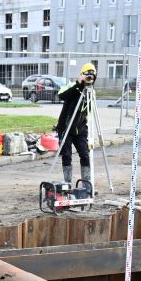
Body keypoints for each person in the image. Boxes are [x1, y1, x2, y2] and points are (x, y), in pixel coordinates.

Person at [54, 63, 98, 193]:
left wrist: (89, 134)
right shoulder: (74, 86)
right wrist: (77, 84)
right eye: (87, 75)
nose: (89, 77)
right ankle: (67, 185)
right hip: (66, 127)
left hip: (80, 130)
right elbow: (61, 95)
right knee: (66, 155)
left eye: (92, 75)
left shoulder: (91, 92)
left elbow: (89, 113)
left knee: (85, 155)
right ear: (82, 75)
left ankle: (86, 185)